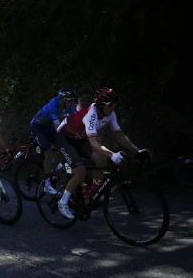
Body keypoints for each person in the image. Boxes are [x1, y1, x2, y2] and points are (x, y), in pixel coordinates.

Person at [54, 88, 150, 219]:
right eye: (111, 105)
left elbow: (120, 136)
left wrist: (137, 151)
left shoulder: (110, 114)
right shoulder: (91, 115)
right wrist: (113, 155)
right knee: (80, 172)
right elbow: (93, 142)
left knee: (100, 157)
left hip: (81, 138)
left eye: (115, 104)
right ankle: (63, 202)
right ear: (100, 105)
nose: (113, 107)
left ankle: (95, 190)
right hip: (64, 139)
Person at [30, 87, 77, 194]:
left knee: (62, 148)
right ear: (63, 99)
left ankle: (51, 170)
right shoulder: (53, 105)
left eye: (73, 100)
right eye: (70, 100)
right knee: (49, 153)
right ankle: (47, 183)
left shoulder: (69, 106)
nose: (72, 103)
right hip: (37, 127)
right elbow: (58, 127)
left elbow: (75, 121)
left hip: (48, 128)